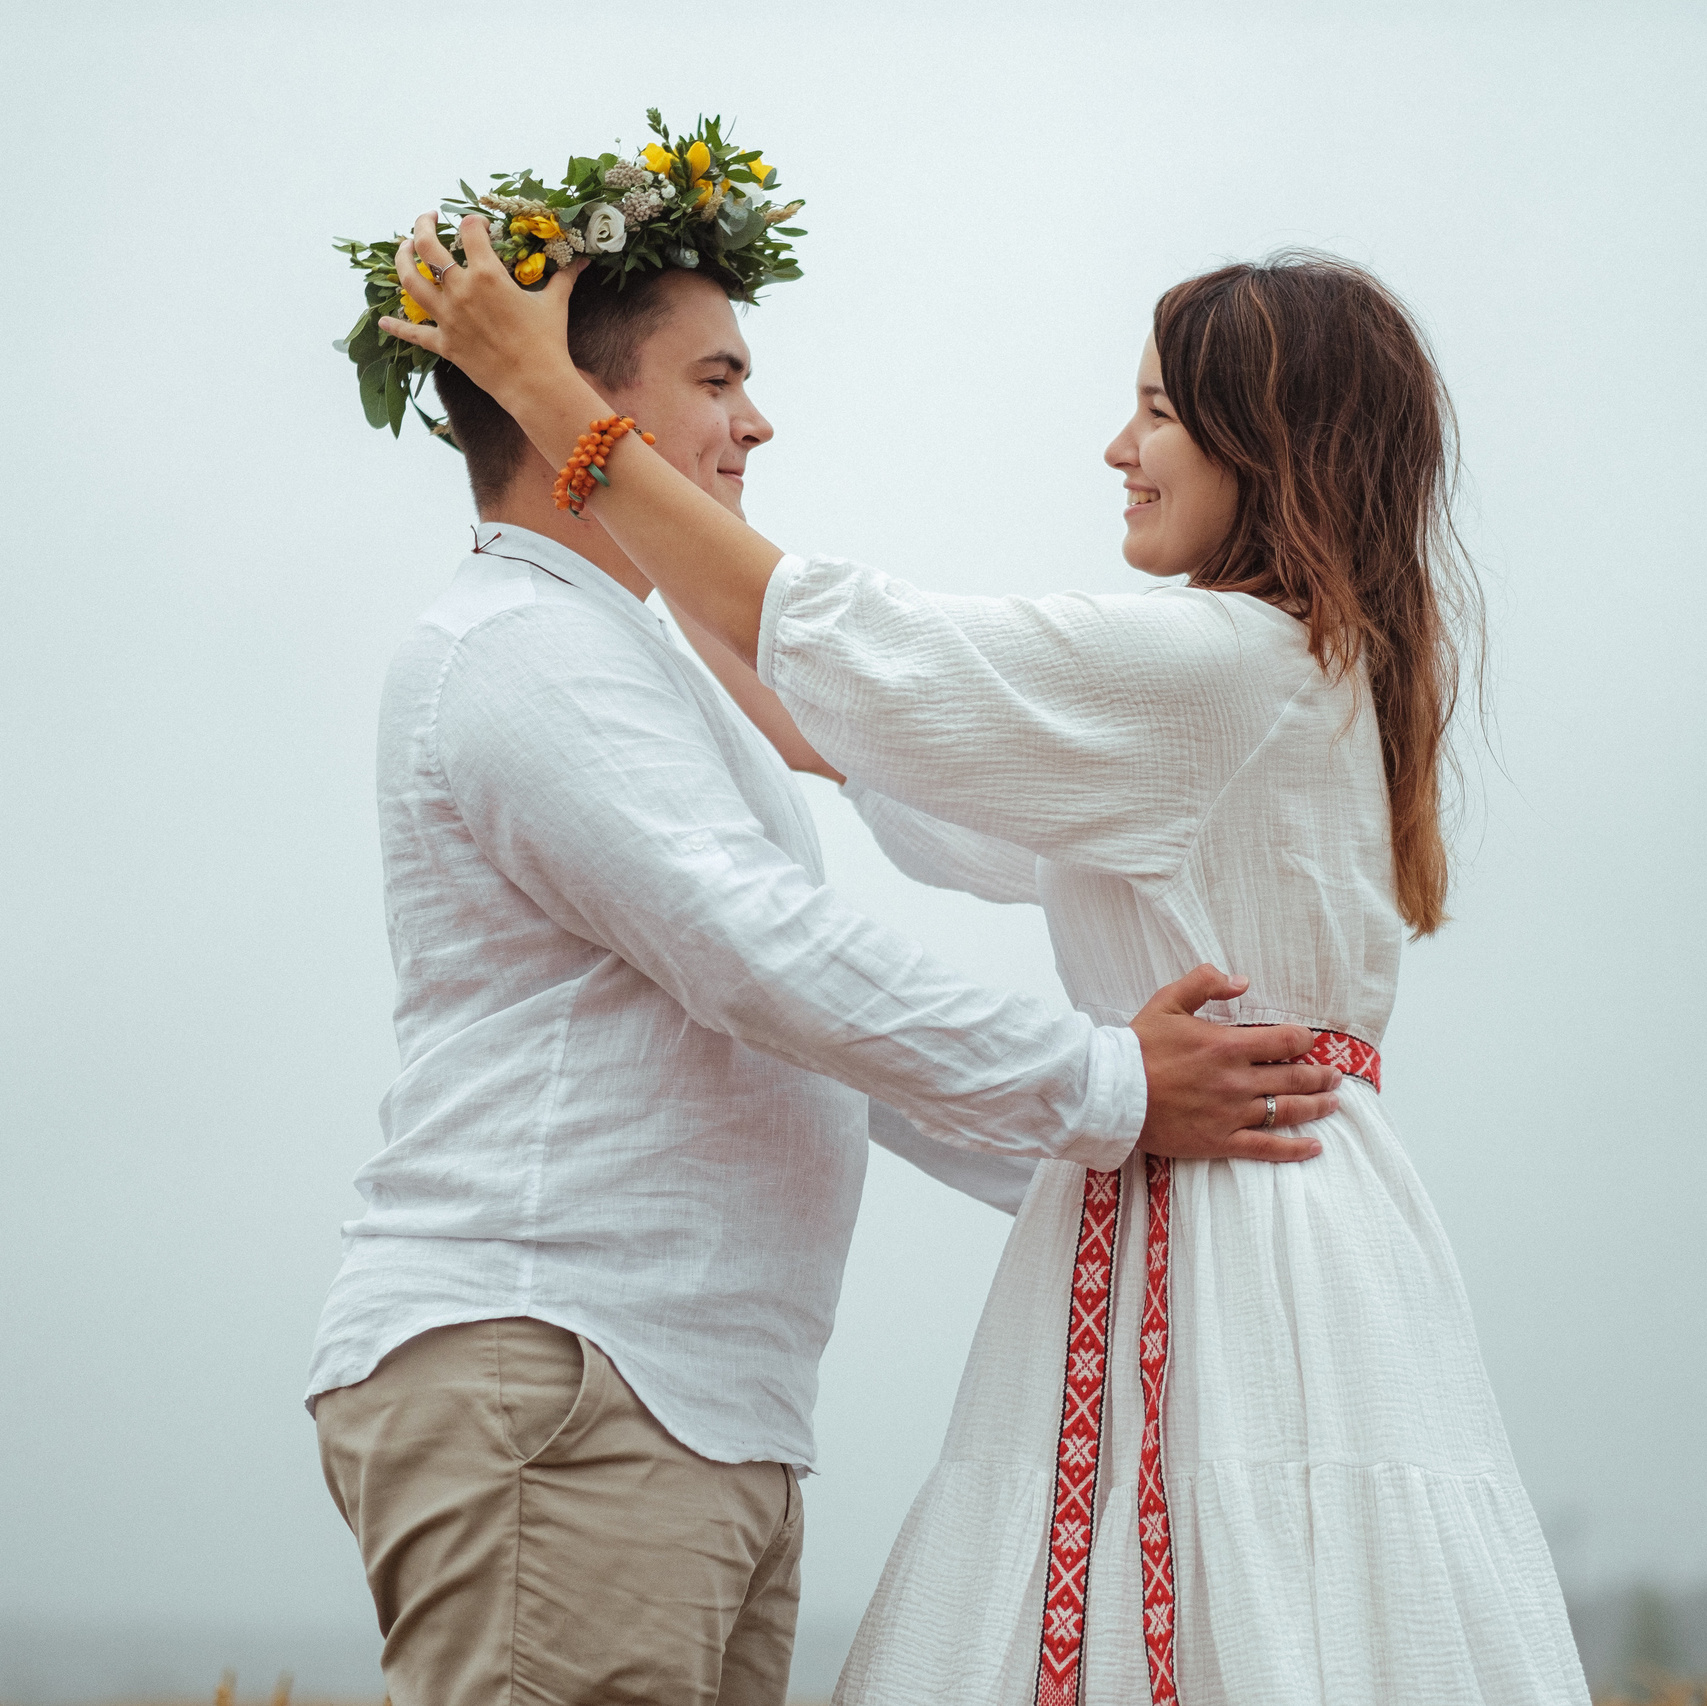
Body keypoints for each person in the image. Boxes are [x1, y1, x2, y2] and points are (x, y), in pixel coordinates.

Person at [378, 231, 1592, 1704]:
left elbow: (862, 658)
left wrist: (545, 392)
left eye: (1155, 410)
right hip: (1263, 1190)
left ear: (1267, 438)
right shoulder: (1288, 670)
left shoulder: (1219, 664)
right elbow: (846, 718)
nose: (1116, 448)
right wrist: (627, 524)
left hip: (1230, 1204)